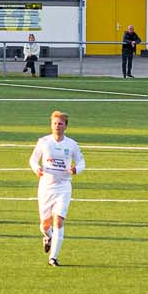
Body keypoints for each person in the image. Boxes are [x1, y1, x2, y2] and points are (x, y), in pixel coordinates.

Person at [28, 110, 85, 265]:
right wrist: (37, 168)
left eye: (60, 124)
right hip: (46, 187)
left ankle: (53, 257)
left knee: (58, 221)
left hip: (63, 187)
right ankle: (48, 236)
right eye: (54, 123)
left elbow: (82, 162)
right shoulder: (43, 142)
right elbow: (33, 160)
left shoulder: (72, 145)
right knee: (45, 225)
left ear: (66, 126)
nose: (57, 126)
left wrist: (75, 169)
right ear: (51, 125)